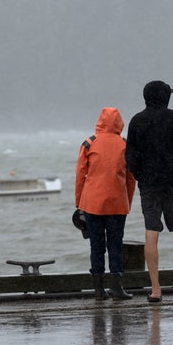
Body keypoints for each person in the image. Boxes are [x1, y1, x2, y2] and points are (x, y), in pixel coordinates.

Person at [125, 80, 173, 302]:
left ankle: (155, 291)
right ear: (166, 97)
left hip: (149, 184)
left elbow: (130, 159)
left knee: (151, 233)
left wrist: (143, 176)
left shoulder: (137, 121)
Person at [75, 107, 136, 300]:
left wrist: (79, 204)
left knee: (96, 245)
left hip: (92, 203)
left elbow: (80, 176)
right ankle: (117, 288)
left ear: (100, 121)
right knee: (115, 245)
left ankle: (98, 289)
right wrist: (128, 202)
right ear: (120, 123)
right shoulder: (125, 144)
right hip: (117, 203)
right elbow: (131, 178)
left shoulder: (89, 143)